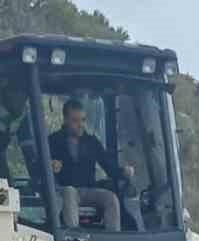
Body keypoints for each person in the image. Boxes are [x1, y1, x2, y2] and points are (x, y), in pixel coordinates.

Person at [47, 99, 134, 231]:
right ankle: (75, 237)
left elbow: (109, 167)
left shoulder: (92, 142)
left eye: (83, 120)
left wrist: (124, 171)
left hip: (89, 190)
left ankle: (114, 238)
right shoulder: (53, 140)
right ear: (65, 120)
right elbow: (39, 166)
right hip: (63, 191)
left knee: (111, 198)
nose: (80, 124)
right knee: (69, 192)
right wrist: (50, 165)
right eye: (75, 120)